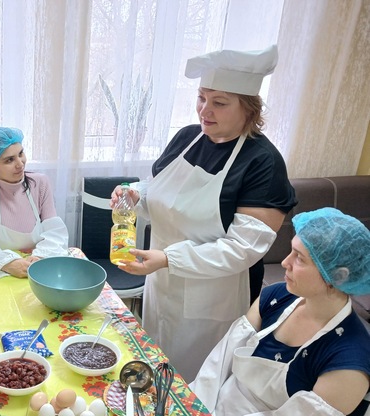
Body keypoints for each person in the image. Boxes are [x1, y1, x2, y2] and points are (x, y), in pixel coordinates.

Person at [113, 45, 297, 380]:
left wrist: (168, 259)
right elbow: (164, 195)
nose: (204, 110)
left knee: (195, 382)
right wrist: (136, 195)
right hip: (161, 284)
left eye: (219, 102)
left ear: (249, 108)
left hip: (212, 299)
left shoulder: (262, 162)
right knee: (156, 364)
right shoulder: (188, 137)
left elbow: (242, 249)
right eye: (201, 98)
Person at [189, 208, 370, 416]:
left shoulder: (348, 360)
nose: (285, 262)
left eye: (299, 258)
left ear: (337, 276)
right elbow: (218, 366)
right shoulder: (276, 297)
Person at [0, 127, 69, 278]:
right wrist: (8, 263)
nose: (20, 164)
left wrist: (41, 257)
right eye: (9, 160)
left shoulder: (40, 183)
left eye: (21, 154)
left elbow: (54, 231)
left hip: (35, 270)